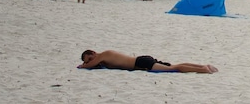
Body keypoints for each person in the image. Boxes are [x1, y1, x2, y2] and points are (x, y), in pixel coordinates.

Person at [78, 49, 217, 73]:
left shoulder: (102, 55)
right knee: (174, 65)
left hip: (141, 63)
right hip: (141, 60)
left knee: (174, 68)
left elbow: (87, 66)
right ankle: (204, 66)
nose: (90, 61)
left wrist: (83, 65)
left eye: (89, 58)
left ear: (93, 53)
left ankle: (203, 69)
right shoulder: (104, 57)